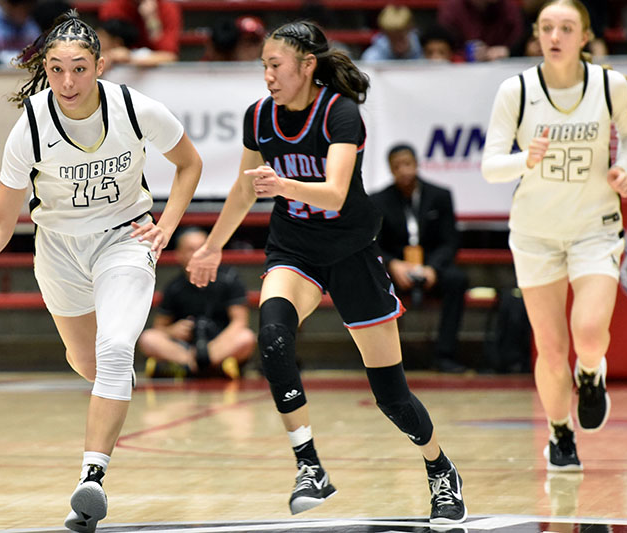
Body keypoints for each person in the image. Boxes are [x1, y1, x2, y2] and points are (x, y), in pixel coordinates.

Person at [186, 20, 466, 524]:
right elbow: (246, 189)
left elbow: (335, 193)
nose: (267, 75)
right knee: (272, 337)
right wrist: (210, 247)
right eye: (264, 66)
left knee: (392, 396)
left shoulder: (341, 114)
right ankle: (309, 465)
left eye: (276, 65)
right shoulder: (259, 117)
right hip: (293, 250)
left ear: (306, 65)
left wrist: (284, 184)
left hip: (352, 252)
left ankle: (440, 469)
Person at [0, 11, 202, 532]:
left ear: (100, 67)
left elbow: (189, 163)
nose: (68, 81)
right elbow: (0, 225)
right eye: (57, 68)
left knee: (114, 352)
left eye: (80, 68)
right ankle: (114, 384)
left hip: (126, 239)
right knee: (86, 359)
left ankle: (92, 478)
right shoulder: (31, 127)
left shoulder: (135, 109)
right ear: (46, 67)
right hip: (59, 248)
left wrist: (168, 225)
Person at [481, 0, 627, 471]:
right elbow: (491, 165)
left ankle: (591, 374)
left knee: (589, 335)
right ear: (536, 34)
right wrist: (523, 160)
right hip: (535, 233)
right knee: (550, 347)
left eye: (566, 28)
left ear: (584, 36)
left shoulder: (609, 85)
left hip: (594, 226)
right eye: (547, 27)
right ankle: (559, 432)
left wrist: (621, 168)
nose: (555, 36)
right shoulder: (516, 89)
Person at [371, 144, 469, 373]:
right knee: (373, 284)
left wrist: (433, 268)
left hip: (430, 267)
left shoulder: (440, 196)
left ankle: (445, 355)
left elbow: (450, 241)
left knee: (457, 280)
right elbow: (373, 244)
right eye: (397, 166)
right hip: (396, 269)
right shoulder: (378, 200)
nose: (404, 170)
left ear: (416, 164)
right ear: (390, 170)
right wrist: (393, 265)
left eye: (407, 164)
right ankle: (386, 359)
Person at [138, 227, 255, 379]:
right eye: (190, 249)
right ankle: (199, 365)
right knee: (148, 338)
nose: (197, 253)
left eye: (202, 247)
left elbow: (239, 322)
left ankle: (195, 365)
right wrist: (173, 331)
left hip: (220, 343)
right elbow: (160, 327)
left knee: (246, 338)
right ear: (179, 254)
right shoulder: (174, 287)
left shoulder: (229, 279)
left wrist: (210, 350)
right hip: (186, 348)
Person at [437, 0, 524, 62]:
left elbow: (521, 44)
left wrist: (508, 51)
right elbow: (443, 50)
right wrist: (465, 55)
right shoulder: (452, 9)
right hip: (461, 73)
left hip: (504, 70)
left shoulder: (510, 8)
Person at [98, 0, 181, 62]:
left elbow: (169, 56)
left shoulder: (166, 8)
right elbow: (103, 51)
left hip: (155, 74)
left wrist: (151, 19)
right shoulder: (113, 7)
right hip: (117, 73)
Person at [96, 17, 175, 69]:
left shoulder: (135, 54)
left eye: (101, 38)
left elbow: (170, 57)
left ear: (117, 42)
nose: (96, 41)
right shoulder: (93, 56)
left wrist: (130, 58)